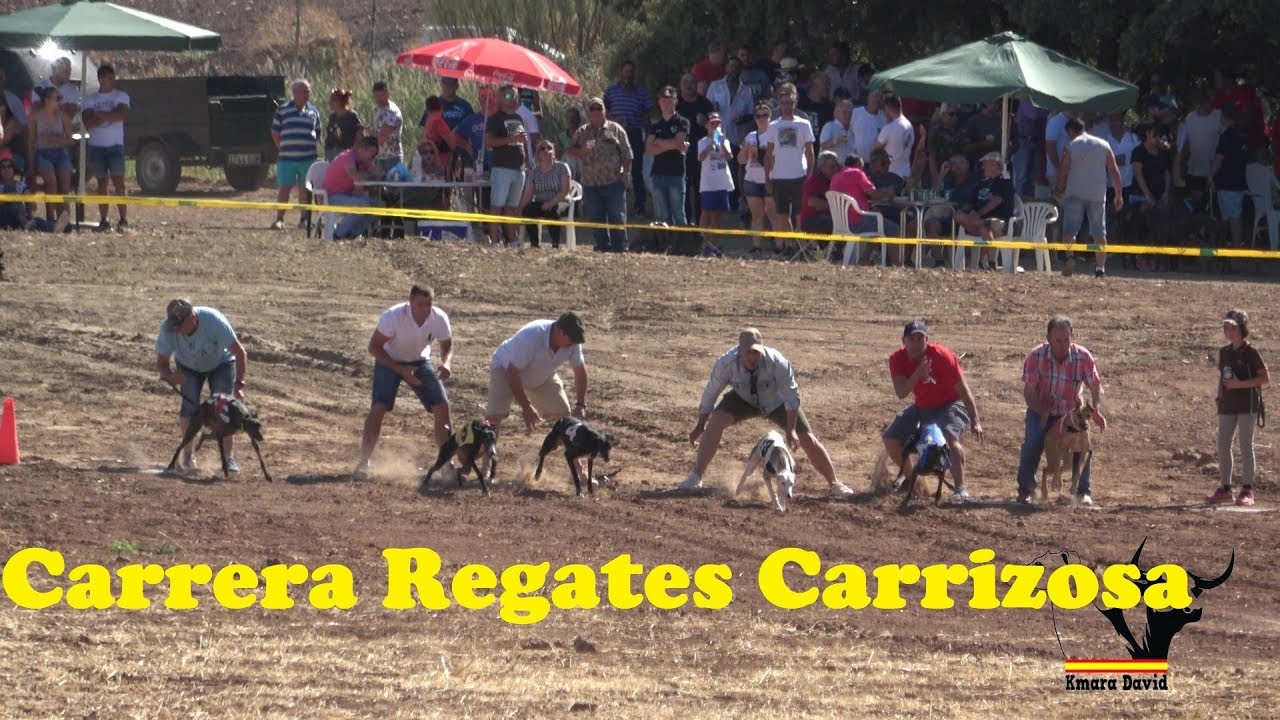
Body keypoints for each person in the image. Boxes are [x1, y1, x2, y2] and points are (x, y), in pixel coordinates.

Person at [681, 328, 854, 497]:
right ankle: (696, 476)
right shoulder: (725, 364)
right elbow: (710, 394)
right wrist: (700, 425)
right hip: (743, 398)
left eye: (756, 352)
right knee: (716, 421)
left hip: (775, 401)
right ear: (739, 351)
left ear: (762, 350)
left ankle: (834, 483)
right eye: (748, 352)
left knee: (807, 438)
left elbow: (792, 396)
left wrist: (791, 429)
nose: (752, 357)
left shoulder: (777, 362)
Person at [353, 285, 454, 481]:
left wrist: (447, 362)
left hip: (420, 361)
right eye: (420, 304)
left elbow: (447, 343)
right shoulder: (393, 316)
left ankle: (446, 464)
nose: (425, 309)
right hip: (389, 360)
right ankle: (363, 461)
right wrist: (400, 370)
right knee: (379, 406)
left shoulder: (439, 318)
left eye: (429, 304)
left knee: (442, 406)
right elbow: (374, 347)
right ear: (410, 302)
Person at [883, 320, 983, 501]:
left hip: (952, 404)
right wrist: (917, 374)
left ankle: (960, 489)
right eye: (911, 339)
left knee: (948, 436)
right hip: (923, 407)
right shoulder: (897, 359)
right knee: (890, 438)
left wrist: (975, 420)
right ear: (903, 341)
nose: (915, 344)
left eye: (919, 339)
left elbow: (964, 389)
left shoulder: (941, 356)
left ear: (926, 340)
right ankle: (913, 480)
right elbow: (901, 392)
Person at [1014, 316, 1107, 506]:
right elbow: (1029, 391)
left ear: (1072, 338)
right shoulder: (1036, 356)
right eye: (1058, 340)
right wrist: (1041, 410)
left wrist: (1095, 409)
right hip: (1041, 409)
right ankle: (1027, 489)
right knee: (1034, 439)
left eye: (1067, 340)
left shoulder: (1083, 357)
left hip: (1070, 413)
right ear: (1048, 339)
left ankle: (1082, 491)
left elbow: (1096, 387)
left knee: (1082, 444)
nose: (1062, 345)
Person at [155, 299, 249, 472]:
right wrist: (168, 376)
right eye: (174, 326)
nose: (177, 331)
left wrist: (239, 385)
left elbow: (240, 352)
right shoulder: (168, 329)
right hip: (188, 367)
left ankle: (228, 458)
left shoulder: (214, 321)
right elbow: (162, 363)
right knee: (188, 409)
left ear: (192, 318)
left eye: (180, 326)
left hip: (221, 363)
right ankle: (188, 455)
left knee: (224, 409)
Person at [485, 312, 590, 432]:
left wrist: (580, 405)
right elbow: (512, 373)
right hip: (505, 369)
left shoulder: (573, 342)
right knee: (494, 417)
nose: (573, 345)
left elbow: (580, 371)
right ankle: (485, 448)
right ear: (561, 332)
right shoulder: (531, 336)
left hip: (540, 374)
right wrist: (526, 407)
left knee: (564, 415)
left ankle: (566, 448)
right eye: (571, 342)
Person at [1206, 309, 1268, 507]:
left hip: (1247, 404)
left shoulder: (1251, 352)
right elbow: (1222, 378)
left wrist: (1239, 384)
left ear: (1242, 329)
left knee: (1245, 445)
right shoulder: (1224, 352)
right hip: (1227, 404)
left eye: (1232, 328)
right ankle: (1225, 488)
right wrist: (1219, 396)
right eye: (1226, 328)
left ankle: (1247, 489)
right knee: (1223, 445)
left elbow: (1264, 378)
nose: (1229, 331)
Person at [1054, 118, 1124, 277]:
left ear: (1071, 131)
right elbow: (1113, 170)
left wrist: (1059, 189)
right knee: (1099, 232)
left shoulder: (1071, 146)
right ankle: (1100, 268)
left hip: (1075, 193)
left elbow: (1063, 171)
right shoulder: (1103, 144)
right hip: (1097, 194)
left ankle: (1070, 257)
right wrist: (1119, 195)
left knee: (1070, 231)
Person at [568, 97, 632, 252]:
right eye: (593, 109)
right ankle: (602, 246)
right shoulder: (582, 132)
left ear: (605, 111)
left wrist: (625, 174)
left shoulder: (616, 129)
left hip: (613, 182)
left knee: (617, 217)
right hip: (590, 184)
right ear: (589, 113)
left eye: (599, 108)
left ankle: (620, 247)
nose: (596, 112)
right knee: (596, 217)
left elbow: (627, 154)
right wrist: (582, 150)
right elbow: (570, 150)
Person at [763, 83, 815, 255]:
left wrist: (809, 174)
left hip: (799, 175)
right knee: (782, 214)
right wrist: (767, 177)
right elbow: (769, 153)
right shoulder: (773, 125)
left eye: (790, 103)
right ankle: (791, 245)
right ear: (779, 104)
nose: (787, 106)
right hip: (779, 176)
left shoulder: (804, 124)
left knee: (800, 215)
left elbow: (810, 151)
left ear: (795, 104)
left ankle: (801, 246)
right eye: (784, 103)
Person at [81, 64, 131, 232]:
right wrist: (109, 115)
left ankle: (123, 219)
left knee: (119, 183)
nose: (109, 81)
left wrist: (99, 115)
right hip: (97, 146)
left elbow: (120, 115)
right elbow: (88, 122)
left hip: (115, 145)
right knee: (102, 184)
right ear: (100, 79)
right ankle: (104, 219)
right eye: (106, 78)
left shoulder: (122, 96)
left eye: (111, 77)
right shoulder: (90, 99)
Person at [270, 79, 321, 230]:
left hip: (308, 158)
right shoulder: (283, 110)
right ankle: (279, 219)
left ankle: (304, 219)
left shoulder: (314, 111)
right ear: (295, 93)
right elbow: (275, 132)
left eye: (308, 91)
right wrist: (283, 148)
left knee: (305, 189)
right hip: (287, 159)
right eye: (304, 91)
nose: (307, 94)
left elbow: (318, 132)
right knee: (285, 188)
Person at [603, 61, 652, 215]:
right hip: (615, 135)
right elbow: (603, 112)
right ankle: (615, 204)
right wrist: (614, 120)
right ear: (620, 72)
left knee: (636, 170)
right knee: (615, 168)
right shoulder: (611, 92)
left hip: (635, 133)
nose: (628, 75)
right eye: (626, 71)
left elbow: (646, 116)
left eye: (631, 72)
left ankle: (639, 205)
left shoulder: (641, 93)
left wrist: (649, 135)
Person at [953, 152, 1016, 270]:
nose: (982, 167)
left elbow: (996, 201)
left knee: (985, 227)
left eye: (985, 164)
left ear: (994, 165)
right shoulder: (981, 183)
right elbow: (970, 203)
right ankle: (987, 262)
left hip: (999, 224)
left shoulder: (1005, 182)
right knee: (958, 215)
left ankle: (991, 262)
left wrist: (979, 214)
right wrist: (965, 211)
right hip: (978, 222)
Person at [484, 84, 529, 247]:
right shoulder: (495, 119)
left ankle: (512, 239)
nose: (513, 100)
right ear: (500, 98)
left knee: (512, 207)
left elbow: (523, 142)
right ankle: (494, 239)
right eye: (509, 96)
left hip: (519, 168)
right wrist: (511, 140)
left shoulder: (518, 118)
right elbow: (489, 142)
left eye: (515, 96)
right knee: (497, 205)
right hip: (502, 167)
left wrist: (527, 161)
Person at [25, 86, 73, 226]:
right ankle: (50, 218)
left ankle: (65, 219)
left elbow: (71, 141)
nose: (60, 101)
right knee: (51, 181)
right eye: (57, 98)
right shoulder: (34, 117)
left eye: (61, 98)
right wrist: (31, 163)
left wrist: (55, 139)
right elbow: (31, 142)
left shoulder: (63, 117)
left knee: (65, 186)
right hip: (43, 154)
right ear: (47, 100)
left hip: (61, 153)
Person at [645, 85, 690, 229]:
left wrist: (658, 142)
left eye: (669, 100)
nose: (666, 103)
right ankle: (664, 245)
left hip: (676, 174)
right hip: (658, 174)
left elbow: (678, 143)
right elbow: (649, 148)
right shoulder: (655, 125)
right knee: (662, 216)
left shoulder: (682, 122)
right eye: (663, 100)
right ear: (659, 102)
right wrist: (671, 144)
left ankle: (682, 247)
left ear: (675, 102)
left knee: (678, 214)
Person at [321, 136, 381, 239]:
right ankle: (337, 234)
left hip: (347, 196)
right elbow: (357, 178)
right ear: (362, 149)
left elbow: (378, 173)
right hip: (331, 197)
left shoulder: (363, 161)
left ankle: (351, 234)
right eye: (371, 155)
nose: (372, 158)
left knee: (377, 205)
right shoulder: (347, 158)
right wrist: (370, 174)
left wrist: (372, 173)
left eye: (374, 156)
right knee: (363, 205)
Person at [738, 102, 775, 255]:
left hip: (770, 178)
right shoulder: (750, 136)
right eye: (758, 115)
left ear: (770, 117)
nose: (761, 118)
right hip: (752, 178)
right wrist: (746, 149)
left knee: (773, 215)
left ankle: (780, 244)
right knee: (757, 214)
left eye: (764, 115)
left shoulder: (774, 135)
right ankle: (756, 245)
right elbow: (740, 160)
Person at [520, 140, 573, 248]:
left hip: (560, 201)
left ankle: (555, 244)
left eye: (549, 148)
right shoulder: (534, 173)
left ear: (554, 153)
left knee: (551, 211)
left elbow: (564, 191)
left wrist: (550, 203)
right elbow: (528, 195)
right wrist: (519, 209)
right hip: (540, 202)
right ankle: (534, 244)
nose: (546, 150)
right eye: (542, 149)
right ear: (538, 154)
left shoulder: (562, 167)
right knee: (528, 210)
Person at [697, 112, 734, 257]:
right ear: (707, 125)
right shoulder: (702, 141)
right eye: (712, 123)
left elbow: (730, 157)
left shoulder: (725, 141)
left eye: (718, 123)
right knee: (706, 214)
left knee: (717, 216)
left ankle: (714, 245)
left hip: (722, 182)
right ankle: (703, 244)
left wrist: (722, 144)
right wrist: (710, 145)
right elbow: (700, 158)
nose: (715, 126)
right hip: (708, 183)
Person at [0, 156, 66, 233]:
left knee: (37, 221)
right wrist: (13, 197)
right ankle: (25, 223)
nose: (6, 169)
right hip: (3, 216)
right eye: (3, 167)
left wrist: (27, 198)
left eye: (9, 166)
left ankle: (56, 227)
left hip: (17, 218)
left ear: (13, 169)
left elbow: (33, 206)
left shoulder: (20, 185)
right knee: (9, 191)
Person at [874, 96, 914, 179]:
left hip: (891, 174)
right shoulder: (909, 125)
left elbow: (875, 149)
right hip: (906, 172)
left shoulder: (889, 128)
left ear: (887, 109)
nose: (884, 113)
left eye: (884, 109)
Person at [371, 80, 404, 175]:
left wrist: (368, 150)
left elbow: (383, 137)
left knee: (393, 187)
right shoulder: (381, 110)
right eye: (376, 96)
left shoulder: (392, 112)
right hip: (380, 157)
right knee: (378, 188)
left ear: (388, 94)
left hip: (392, 158)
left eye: (382, 96)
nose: (379, 99)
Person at [324, 88, 362, 162]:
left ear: (340, 102)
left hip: (346, 151)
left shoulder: (351, 116)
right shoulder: (332, 117)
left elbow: (359, 136)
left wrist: (352, 152)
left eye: (333, 100)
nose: (330, 103)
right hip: (331, 152)